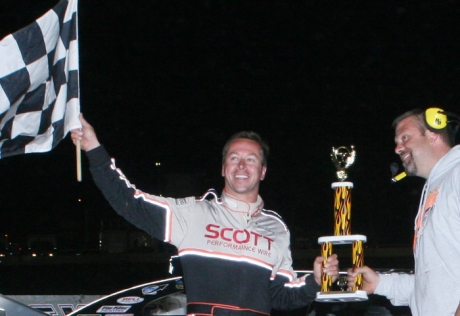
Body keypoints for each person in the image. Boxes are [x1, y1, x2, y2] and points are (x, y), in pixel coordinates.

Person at [71, 113, 339, 316]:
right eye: (234, 158)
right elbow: (128, 201)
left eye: (251, 159)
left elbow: (281, 297)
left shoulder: (277, 228)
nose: (242, 165)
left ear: (263, 171)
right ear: (223, 168)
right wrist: (94, 149)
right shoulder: (193, 214)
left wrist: (315, 281)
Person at [347, 108, 460, 316]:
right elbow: (432, 286)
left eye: (405, 137)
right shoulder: (436, 185)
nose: (398, 148)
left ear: (433, 133)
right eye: (397, 141)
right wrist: (380, 284)